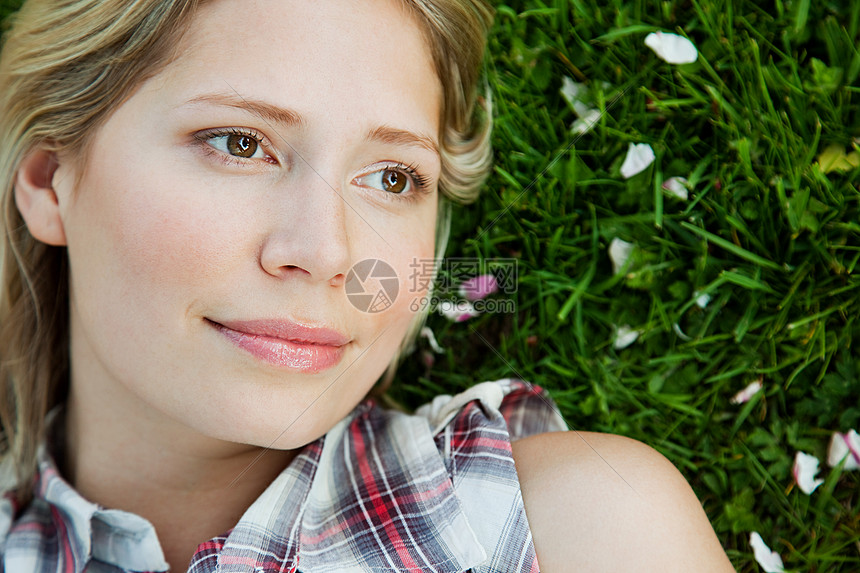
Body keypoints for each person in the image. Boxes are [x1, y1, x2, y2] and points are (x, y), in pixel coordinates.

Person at [0, 0, 735, 570]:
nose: (325, 251)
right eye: (240, 143)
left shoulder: (582, 528)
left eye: (392, 178)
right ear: (50, 180)